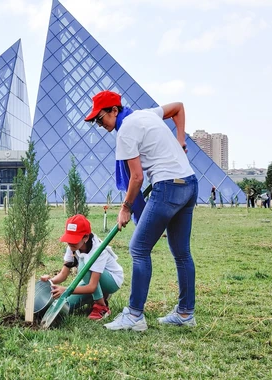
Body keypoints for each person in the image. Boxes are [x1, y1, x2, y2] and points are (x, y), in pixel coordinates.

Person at [84, 90, 198, 332]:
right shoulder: (146, 114)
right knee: (181, 252)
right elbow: (178, 107)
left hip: (167, 186)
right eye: (95, 120)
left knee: (138, 248)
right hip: (189, 183)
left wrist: (125, 208)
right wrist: (180, 139)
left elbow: (136, 177)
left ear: (114, 110)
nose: (99, 123)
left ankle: (135, 315)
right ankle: (186, 313)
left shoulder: (124, 131)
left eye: (100, 117)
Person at [40, 214, 124, 321]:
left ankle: (101, 307)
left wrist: (66, 290)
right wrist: (49, 282)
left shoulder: (98, 250)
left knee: (84, 266)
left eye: (74, 239)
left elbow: (92, 287)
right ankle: (100, 296)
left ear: (86, 237)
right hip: (91, 281)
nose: (70, 243)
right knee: (66, 304)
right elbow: (63, 274)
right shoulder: (72, 246)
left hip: (112, 281)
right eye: (69, 239)